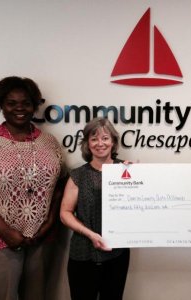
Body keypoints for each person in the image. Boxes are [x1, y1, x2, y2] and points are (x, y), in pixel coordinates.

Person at [0, 76, 65, 300]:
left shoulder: (49, 142)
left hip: (40, 240)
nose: (20, 108)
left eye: (26, 103)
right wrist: (6, 233)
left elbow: (59, 186)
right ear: (1, 106)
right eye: (11, 103)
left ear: (35, 105)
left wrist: (48, 223)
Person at [60, 117, 130, 300]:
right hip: (84, 253)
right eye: (94, 139)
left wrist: (138, 178)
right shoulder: (78, 175)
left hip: (117, 252)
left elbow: (142, 205)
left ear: (113, 141)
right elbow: (65, 213)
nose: (100, 143)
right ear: (87, 144)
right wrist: (90, 234)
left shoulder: (127, 170)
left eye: (105, 138)